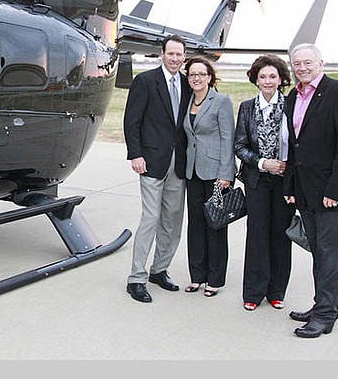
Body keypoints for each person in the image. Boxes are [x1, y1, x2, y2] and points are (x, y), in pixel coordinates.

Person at [283, 43, 338, 338]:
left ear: (320, 63)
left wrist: (336, 190)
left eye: (307, 63)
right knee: (319, 252)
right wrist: (291, 185)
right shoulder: (295, 95)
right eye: (297, 64)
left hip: (334, 195)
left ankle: (325, 316)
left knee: (331, 255)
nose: (302, 68)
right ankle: (323, 305)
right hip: (306, 191)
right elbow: (294, 145)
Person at [123, 34, 191, 303]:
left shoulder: (187, 84)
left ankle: (159, 270)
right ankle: (136, 277)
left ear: (184, 57)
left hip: (179, 164)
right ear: (162, 54)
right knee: (150, 219)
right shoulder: (146, 81)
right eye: (170, 54)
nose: (175, 59)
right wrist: (135, 154)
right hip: (151, 161)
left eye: (179, 55)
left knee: (172, 222)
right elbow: (132, 120)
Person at [234, 54, 295, 311]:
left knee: (281, 235)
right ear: (255, 80)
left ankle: (276, 290)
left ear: (280, 79)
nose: (268, 81)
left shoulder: (292, 105)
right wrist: (262, 162)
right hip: (257, 179)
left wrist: (286, 166)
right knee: (257, 234)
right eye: (263, 77)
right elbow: (239, 145)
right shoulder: (247, 107)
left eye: (272, 76)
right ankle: (253, 291)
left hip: (284, 181)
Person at [182, 56, 236, 297]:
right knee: (195, 225)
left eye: (201, 74)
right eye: (192, 74)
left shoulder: (221, 101)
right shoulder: (187, 101)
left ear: (210, 77)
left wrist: (227, 173)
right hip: (192, 172)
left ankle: (214, 279)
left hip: (215, 174)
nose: (196, 78)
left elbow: (228, 138)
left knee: (214, 224)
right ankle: (197, 276)